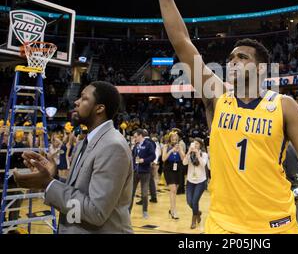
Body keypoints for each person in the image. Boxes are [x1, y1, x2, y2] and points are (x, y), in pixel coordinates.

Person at [144, 0, 298, 234]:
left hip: (275, 225)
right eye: (231, 58)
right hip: (223, 226)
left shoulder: (285, 106)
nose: (233, 62)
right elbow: (181, 41)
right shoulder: (217, 95)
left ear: (261, 68)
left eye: (242, 57)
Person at [13, 81, 134, 234]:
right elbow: (78, 192)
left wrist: (48, 184)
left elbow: (95, 212)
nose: (76, 102)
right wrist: (53, 176)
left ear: (100, 108)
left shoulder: (112, 145)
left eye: (84, 98)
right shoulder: (85, 142)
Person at [182, 138, 208, 229]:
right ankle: (198, 212)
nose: (195, 145)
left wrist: (198, 154)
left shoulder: (203, 154)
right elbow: (184, 163)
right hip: (190, 181)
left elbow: (203, 164)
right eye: (194, 143)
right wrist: (188, 152)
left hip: (200, 182)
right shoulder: (190, 154)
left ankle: (194, 220)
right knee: (189, 202)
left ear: (200, 145)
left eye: (197, 144)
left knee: (194, 201)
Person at [129, 129, 156, 219]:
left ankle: (145, 211)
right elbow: (133, 156)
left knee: (144, 193)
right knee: (131, 193)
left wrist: (144, 160)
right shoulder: (135, 145)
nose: (134, 138)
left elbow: (153, 156)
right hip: (136, 171)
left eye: (136, 136)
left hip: (145, 172)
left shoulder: (148, 144)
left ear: (141, 136)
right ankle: (128, 212)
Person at [162, 131, 185, 219]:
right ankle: (173, 211)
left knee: (175, 191)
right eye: (173, 137)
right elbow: (164, 158)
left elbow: (183, 159)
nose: (175, 138)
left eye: (176, 137)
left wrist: (179, 150)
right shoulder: (166, 146)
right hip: (168, 168)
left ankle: (171, 207)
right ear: (170, 138)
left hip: (178, 167)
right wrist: (171, 150)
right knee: (173, 189)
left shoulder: (180, 146)